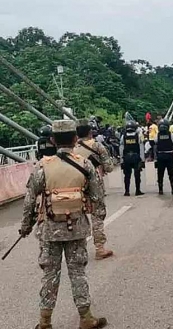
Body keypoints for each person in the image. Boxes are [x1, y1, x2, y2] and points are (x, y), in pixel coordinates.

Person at [20, 119, 107, 329]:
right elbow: (97, 197)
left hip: (49, 230)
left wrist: (26, 226)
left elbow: (30, 201)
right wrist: (99, 216)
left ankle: (45, 322)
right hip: (76, 229)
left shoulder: (41, 167)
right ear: (75, 138)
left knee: (50, 275)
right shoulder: (85, 165)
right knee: (78, 273)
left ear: (52, 140)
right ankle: (86, 318)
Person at [74, 119, 115, 260]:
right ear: (90, 132)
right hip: (95, 185)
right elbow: (109, 167)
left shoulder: (71, 148)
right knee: (97, 216)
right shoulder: (97, 146)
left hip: (75, 185)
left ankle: (77, 250)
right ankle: (99, 248)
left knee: (76, 217)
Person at [120, 120, 145, 196]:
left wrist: (121, 160)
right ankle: (138, 190)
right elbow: (141, 148)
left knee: (127, 175)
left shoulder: (123, 136)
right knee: (137, 175)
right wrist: (142, 160)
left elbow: (121, 148)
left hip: (126, 157)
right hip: (136, 157)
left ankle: (127, 191)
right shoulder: (138, 136)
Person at [155, 120, 173, 195]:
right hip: (170, 156)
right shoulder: (171, 135)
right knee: (171, 173)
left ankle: (160, 190)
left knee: (160, 174)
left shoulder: (157, 135)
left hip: (160, 156)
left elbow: (154, 142)